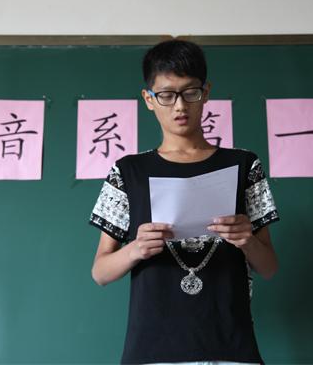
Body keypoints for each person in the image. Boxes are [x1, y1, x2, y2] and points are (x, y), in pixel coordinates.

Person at [88, 39, 280, 365]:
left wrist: (247, 240)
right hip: (153, 351)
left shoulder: (244, 165)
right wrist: (136, 249)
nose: (179, 106)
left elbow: (270, 267)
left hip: (231, 348)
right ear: (148, 99)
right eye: (166, 95)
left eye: (190, 92)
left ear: (206, 93)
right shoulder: (128, 171)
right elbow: (100, 272)